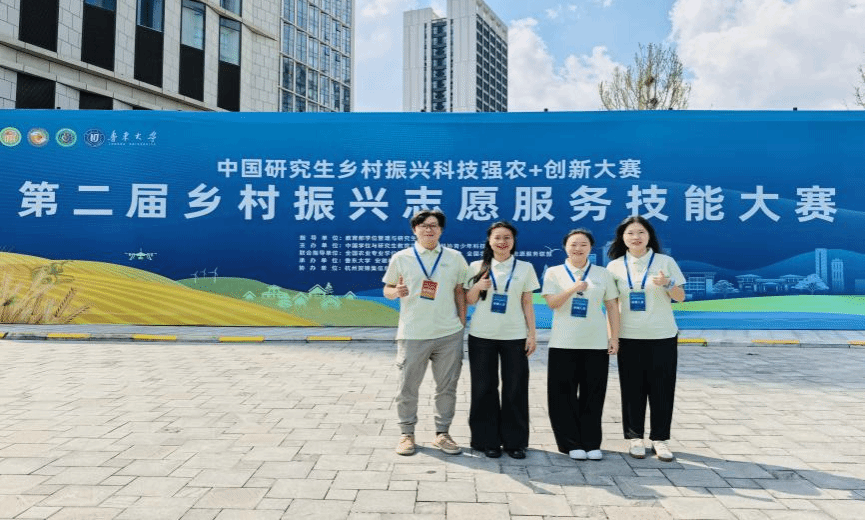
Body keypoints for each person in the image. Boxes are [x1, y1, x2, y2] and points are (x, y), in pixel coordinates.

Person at [383, 210, 469, 456]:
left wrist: (461, 323)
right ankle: (406, 434)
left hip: (448, 334)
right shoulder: (401, 257)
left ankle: (442, 434)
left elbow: (460, 291)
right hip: (413, 333)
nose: (428, 229)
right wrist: (395, 292)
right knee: (407, 387)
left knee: (447, 387)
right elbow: (387, 289)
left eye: (433, 225)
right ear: (414, 230)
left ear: (441, 230)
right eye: (423, 225)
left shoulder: (454, 257)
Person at [606, 216, 685, 462]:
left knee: (662, 388)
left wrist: (668, 283)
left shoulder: (665, 262)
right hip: (629, 336)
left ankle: (660, 439)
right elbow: (611, 305)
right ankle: (635, 437)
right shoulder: (614, 267)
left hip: (662, 335)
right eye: (630, 233)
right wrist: (613, 337)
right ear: (622, 238)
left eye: (641, 232)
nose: (636, 237)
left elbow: (680, 297)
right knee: (632, 389)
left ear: (649, 236)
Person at [542, 229, 620, 461]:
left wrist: (614, 337)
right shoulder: (554, 272)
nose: (578, 248)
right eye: (573, 244)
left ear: (590, 248)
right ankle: (570, 443)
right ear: (565, 247)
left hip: (595, 342)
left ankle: (591, 442)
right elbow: (552, 304)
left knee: (593, 394)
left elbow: (612, 306)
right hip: (563, 343)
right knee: (562, 395)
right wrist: (572, 289)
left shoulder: (602, 273)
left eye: (583, 244)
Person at [465, 222, 540, 460]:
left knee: (515, 388)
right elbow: (469, 300)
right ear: (489, 241)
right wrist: (478, 286)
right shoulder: (476, 266)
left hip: (514, 336)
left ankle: (515, 442)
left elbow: (527, 302)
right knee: (483, 388)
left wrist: (532, 334)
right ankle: (486, 441)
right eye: (497, 237)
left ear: (513, 241)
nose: (502, 242)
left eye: (507, 237)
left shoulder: (525, 267)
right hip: (482, 335)